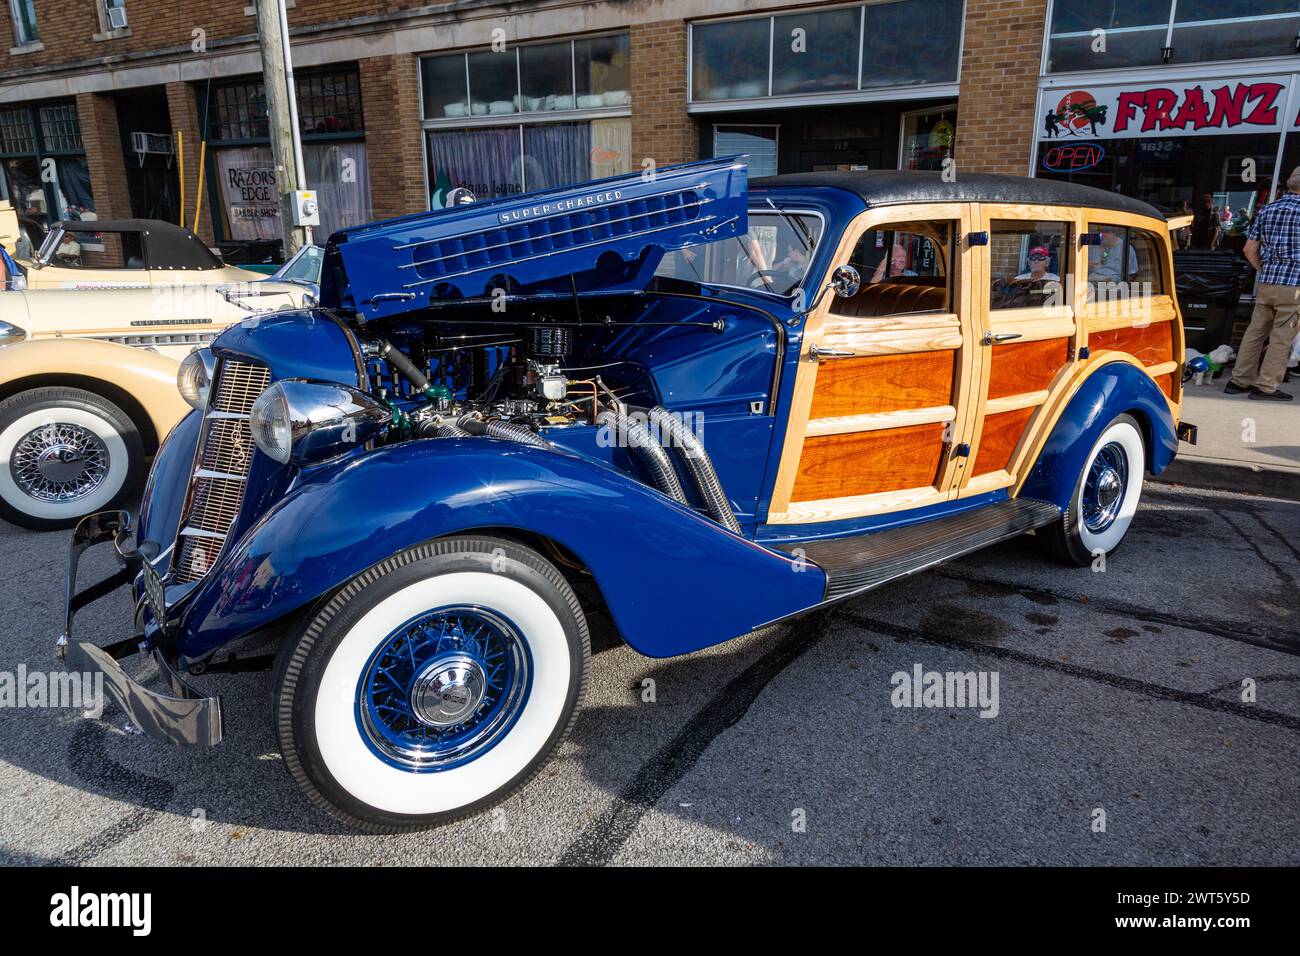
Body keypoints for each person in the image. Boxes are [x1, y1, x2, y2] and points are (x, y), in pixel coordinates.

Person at [1227, 167, 1300, 400]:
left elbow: (1249, 248)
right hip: (1295, 284)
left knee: (1255, 331)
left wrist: (1263, 269)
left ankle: (1238, 381)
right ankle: (1265, 386)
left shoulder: (1268, 209)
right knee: (1281, 337)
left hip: (1267, 281)